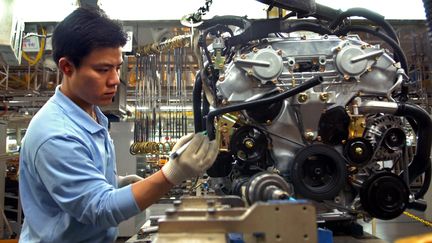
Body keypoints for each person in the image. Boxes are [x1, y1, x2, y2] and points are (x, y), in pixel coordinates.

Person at [18, 7, 218, 243]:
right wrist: (172, 173)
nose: (115, 80)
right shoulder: (56, 134)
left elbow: (86, 189)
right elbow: (100, 209)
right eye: (102, 69)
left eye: (117, 67)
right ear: (67, 67)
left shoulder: (91, 114)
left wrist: (116, 184)